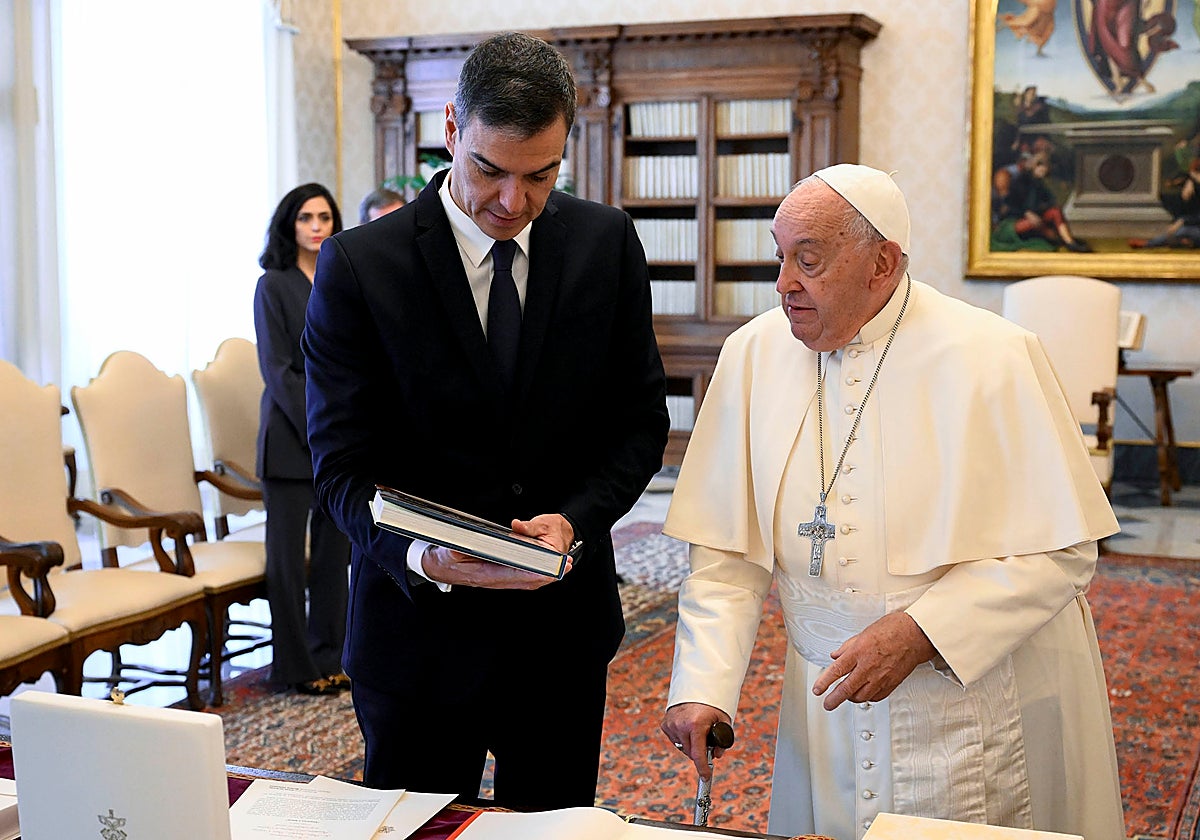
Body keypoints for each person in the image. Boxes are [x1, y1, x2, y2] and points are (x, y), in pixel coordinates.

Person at [659, 164, 1125, 840]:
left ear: (882, 263)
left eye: (808, 260)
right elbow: (725, 554)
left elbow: (1063, 552)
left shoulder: (993, 355)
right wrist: (703, 684)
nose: (784, 283)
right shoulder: (751, 355)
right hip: (827, 709)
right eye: (780, 256)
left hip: (968, 705)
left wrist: (921, 632)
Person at [302, 32, 669, 809]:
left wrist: (576, 520)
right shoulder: (361, 266)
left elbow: (639, 423)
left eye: (541, 175)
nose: (512, 201)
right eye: (490, 170)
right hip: (415, 641)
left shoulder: (605, 244)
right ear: (451, 129)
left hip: (561, 638)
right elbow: (339, 469)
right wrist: (424, 557)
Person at [254, 182, 353, 696]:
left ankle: (331, 657)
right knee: (288, 563)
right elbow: (278, 370)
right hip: (291, 439)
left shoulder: (340, 278)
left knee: (335, 557)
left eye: (324, 217)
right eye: (306, 218)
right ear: (289, 225)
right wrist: (319, 429)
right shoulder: (272, 285)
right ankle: (294, 667)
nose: (316, 226)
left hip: (336, 439)